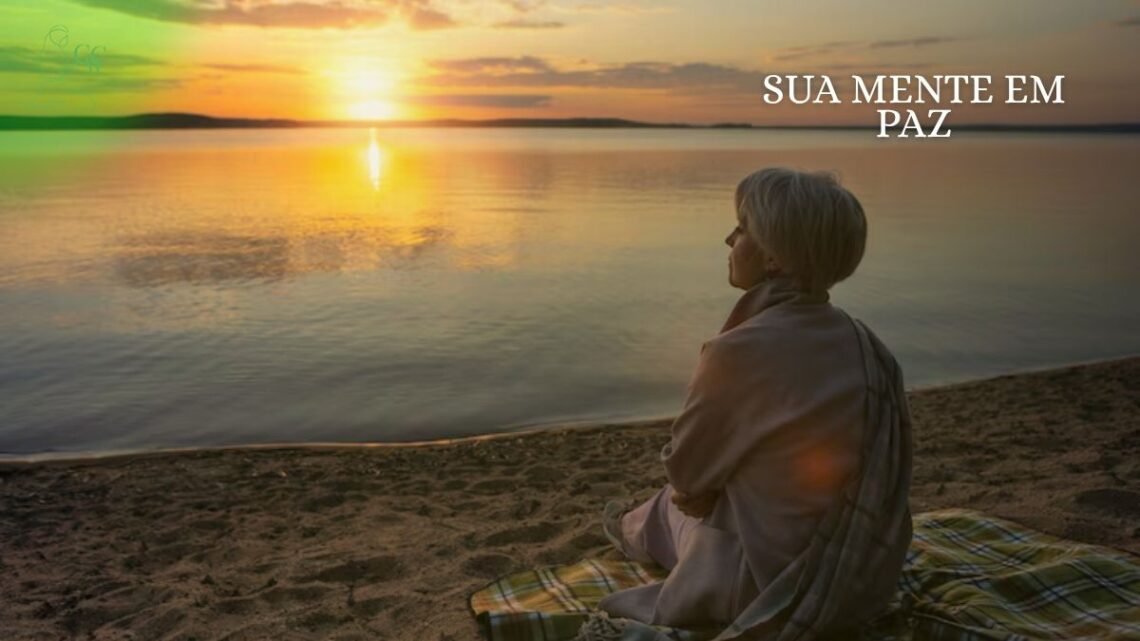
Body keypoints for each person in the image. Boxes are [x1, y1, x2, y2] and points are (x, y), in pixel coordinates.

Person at [595, 167, 913, 641]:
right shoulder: (869, 347)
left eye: (742, 228)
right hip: (864, 577)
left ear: (772, 258)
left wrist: (698, 490)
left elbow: (686, 472)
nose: (729, 239)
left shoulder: (737, 352)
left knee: (670, 504)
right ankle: (637, 525)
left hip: (766, 586)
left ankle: (628, 530)